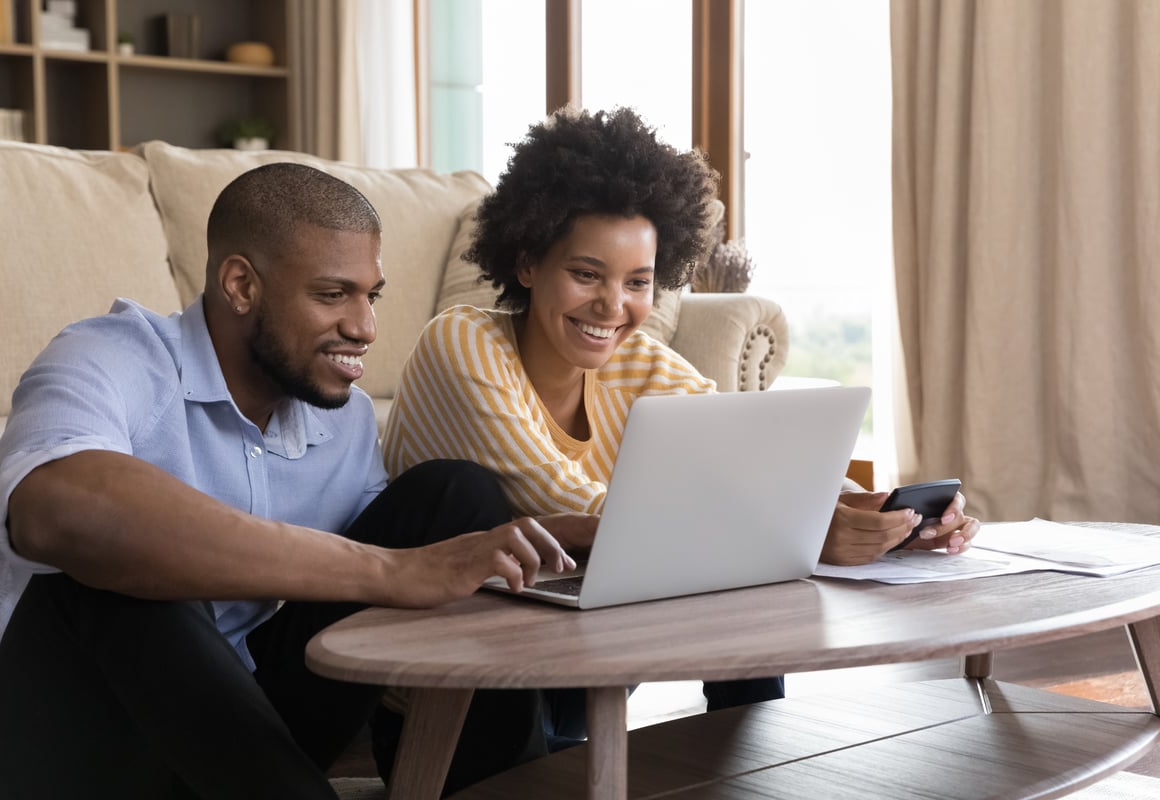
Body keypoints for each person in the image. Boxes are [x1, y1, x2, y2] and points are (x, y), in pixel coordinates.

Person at [0, 163, 579, 799]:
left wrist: (540, 538)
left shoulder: (343, 418)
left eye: (373, 296)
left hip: (240, 739)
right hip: (71, 759)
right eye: (333, 294)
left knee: (457, 496)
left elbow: (408, 558)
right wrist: (390, 572)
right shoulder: (107, 357)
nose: (365, 327)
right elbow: (56, 511)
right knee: (112, 574)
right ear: (241, 285)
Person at [380, 106, 982, 755]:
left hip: (574, 655)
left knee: (743, 552)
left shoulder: (639, 363)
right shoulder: (462, 343)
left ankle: (748, 766)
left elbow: (757, 464)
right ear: (526, 264)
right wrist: (802, 531)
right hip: (450, 698)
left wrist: (886, 519)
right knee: (727, 541)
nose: (614, 307)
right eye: (586, 274)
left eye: (637, 282)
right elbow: (574, 507)